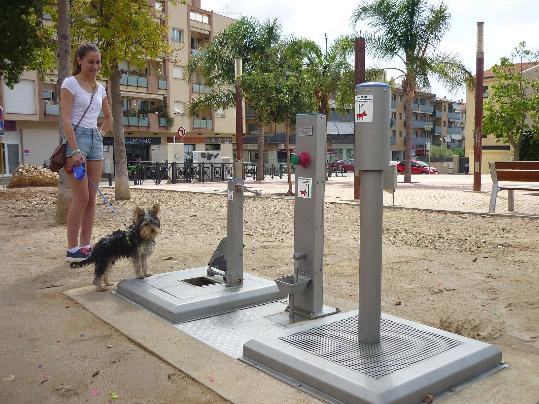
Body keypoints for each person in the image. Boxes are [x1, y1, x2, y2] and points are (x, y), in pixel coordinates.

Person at [61, 44, 113, 262]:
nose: (95, 66)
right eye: (91, 61)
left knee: (92, 198)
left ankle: (86, 246)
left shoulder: (100, 88)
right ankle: (72, 248)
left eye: (98, 62)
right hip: (77, 138)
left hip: (95, 139)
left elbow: (109, 119)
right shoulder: (70, 83)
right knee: (81, 197)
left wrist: (99, 134)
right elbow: (65, 118)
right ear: (80, 61)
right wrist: (74, 149)